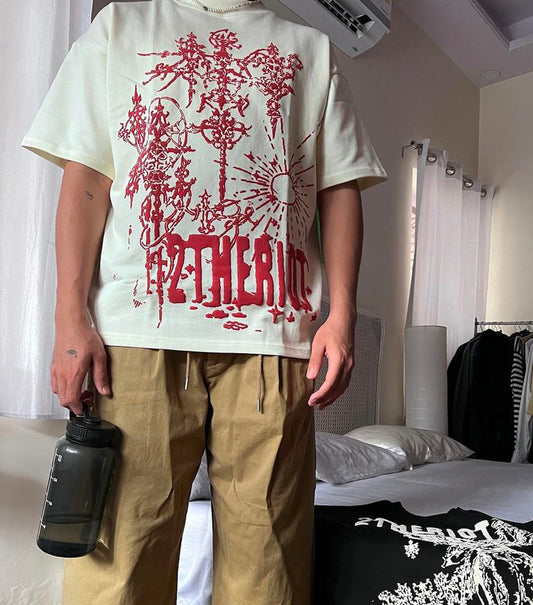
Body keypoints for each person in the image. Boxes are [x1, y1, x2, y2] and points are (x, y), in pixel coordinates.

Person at [21, 0, 387, 603]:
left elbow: (338, 187)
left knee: (269, 567)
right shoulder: (121, 28)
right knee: (120, 564)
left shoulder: (311, 49)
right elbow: (86, 179)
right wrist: (69, 318)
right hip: (135, 335)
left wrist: (341, 316)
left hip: (274, 336)